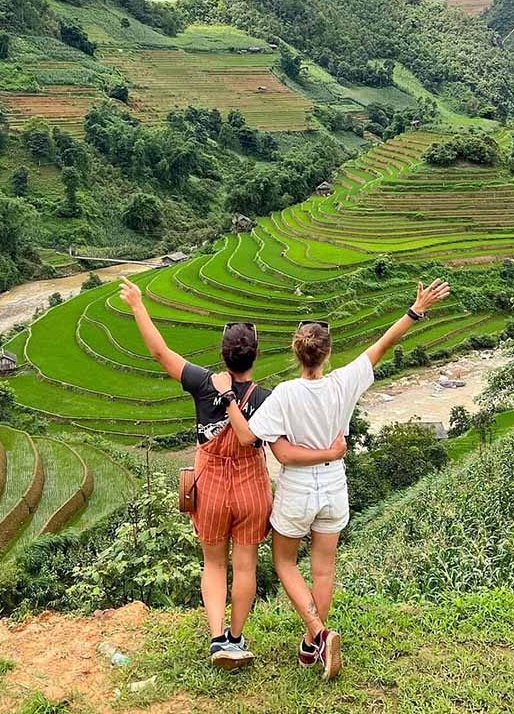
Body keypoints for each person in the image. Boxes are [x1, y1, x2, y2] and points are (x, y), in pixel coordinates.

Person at [216, 278, 451, 680]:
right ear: (327, 353)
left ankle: (318, 633)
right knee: (323, 568)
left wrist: (227, 398)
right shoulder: (344, 382)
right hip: (334, 486)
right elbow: (384, 344)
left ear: (296, 352)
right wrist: (416, 309)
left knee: (285, 562)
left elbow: (246, 435)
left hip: (297, 488)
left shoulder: (285, 394)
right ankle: (310, 649)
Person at [119, 278, 347, 670]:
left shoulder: (203, 383)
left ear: (224, 355)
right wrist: (331, 452)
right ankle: (239, 637)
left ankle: (217, 639)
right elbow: (288, 444)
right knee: (244, 564)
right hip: (250, 490)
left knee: (214, 563)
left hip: (210, 487)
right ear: (254, 357)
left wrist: (139, 304)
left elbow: (159, 351)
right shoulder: (267, 399)